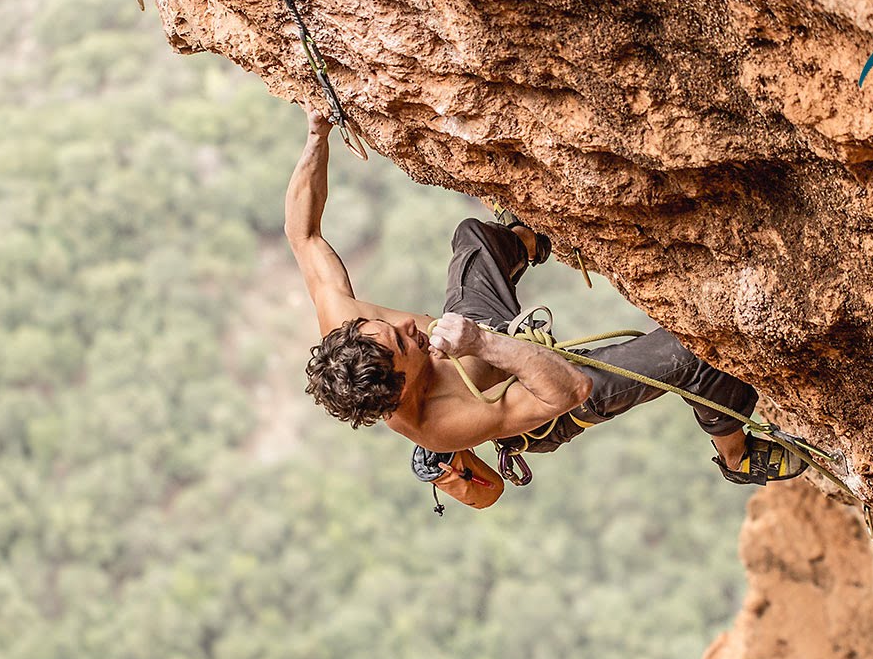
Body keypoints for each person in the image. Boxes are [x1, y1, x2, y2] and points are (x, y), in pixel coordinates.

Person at [285, 103, 803, 486]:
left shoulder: (345, 322)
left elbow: (303, 233)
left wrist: (316, 135)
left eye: (389, 327)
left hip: (476, 334)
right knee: (694, 355)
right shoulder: (437, 424)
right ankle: (736, 455)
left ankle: (536, 238)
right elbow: (568, 391)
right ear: (401, 391)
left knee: (476, 237)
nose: (405, 327)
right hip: (544, 399)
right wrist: (488, 347)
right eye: (403, 346)